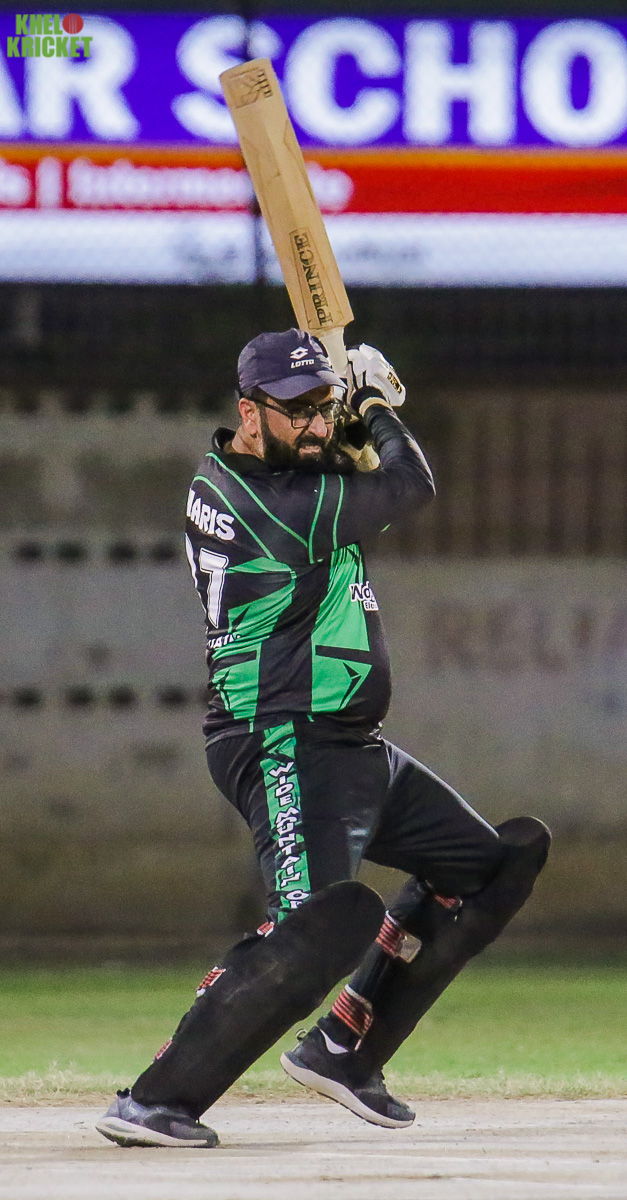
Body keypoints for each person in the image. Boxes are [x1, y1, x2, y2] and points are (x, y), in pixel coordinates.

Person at [96, 329, 550, 1149]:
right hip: (283, 738)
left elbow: (351, 482)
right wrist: (373, 408)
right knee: (317, 925)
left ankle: (343, 1047)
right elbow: (409, 486)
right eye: (295, 409)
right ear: (249, 412)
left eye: (322, 406)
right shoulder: (274, 506)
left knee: (489, 865)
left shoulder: (271, 474)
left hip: (349, 743)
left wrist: (346, 415)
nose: (313, 424)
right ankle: (156, 1100)